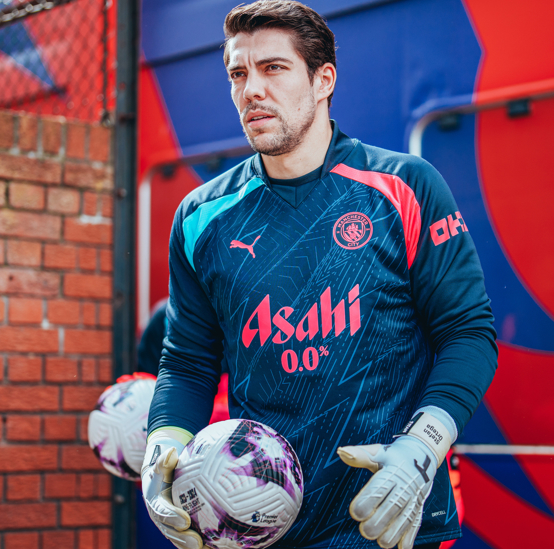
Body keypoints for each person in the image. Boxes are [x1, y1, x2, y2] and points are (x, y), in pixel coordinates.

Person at [141, 2, 497, 548]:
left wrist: (423, 446)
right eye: (238, 74)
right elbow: (187, 361)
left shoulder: (404, 186)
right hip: (259, 526)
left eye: (273, 68)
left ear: (323, 79)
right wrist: (162, 442)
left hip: (391, 520)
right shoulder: (200, 216)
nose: (251, 90)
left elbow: (468, 333)